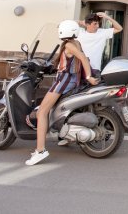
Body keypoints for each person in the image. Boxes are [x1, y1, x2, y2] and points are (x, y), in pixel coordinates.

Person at [26, 20, 98, 166]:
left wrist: (89, 77)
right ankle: (62, 135)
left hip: (63, 81)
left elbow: (83, 59)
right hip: (69, 80)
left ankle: (40, 150)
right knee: (53, 108)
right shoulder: (76, 43)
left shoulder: (70, 45)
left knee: (42, 112)